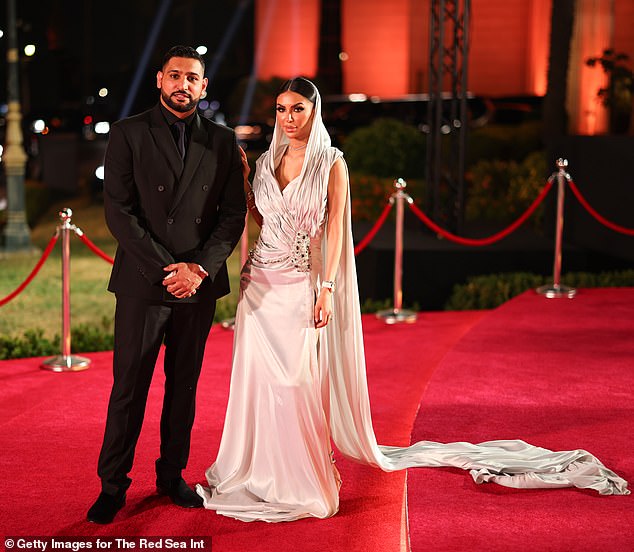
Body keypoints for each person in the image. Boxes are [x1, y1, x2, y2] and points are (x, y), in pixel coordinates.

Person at [195, 77, 629, 523]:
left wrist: (327, 289)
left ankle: (302, 480)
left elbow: (331, 234)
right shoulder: (268, 160)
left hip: (302, 284)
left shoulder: (331, 164)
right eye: (282, 109)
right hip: (261, 286)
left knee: (297, 386)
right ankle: (255, 472)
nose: (288, 118)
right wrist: (247, 183)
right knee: (258, 385)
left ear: (314, 111)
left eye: (298, 109)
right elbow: (263, 218)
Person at [87, 45, 246, 524]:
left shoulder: (222, 140)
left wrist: (196, 270)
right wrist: (166, 270)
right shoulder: (129, 133)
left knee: (184, 387)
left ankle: (172, 475)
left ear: (203, 86)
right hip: (142, 282)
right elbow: (119, 211)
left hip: (196, 285)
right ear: (159, 80)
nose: (183, 84)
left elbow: (232, 215)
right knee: (129, 389)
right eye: (174, 75)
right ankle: (112, 486)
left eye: (192, 78)